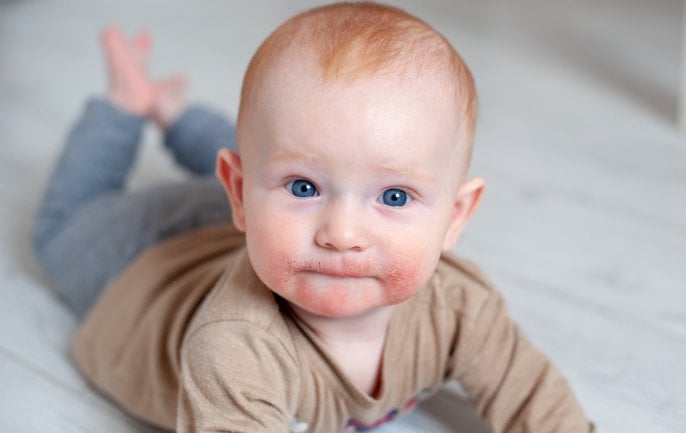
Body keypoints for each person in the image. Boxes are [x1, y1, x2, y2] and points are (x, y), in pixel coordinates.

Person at [33, 3, 594, 433]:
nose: (342, 234)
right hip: (138, 272)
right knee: (59, 231)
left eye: (394, 197)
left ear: (455, 215)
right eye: (306, 189)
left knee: (291, 150)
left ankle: (178, 115)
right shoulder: (235, 349)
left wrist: (294, 190)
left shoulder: (461, 309)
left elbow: (534, 402)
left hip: (255, 226)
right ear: (240, 194)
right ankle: (125, 105)